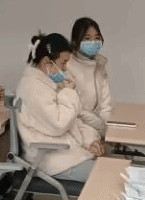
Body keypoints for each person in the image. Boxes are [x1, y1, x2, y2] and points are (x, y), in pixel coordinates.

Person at [15, 33, 105, 183]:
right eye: (63, 63)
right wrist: (68, 93)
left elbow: (74, 121)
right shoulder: (32, 88)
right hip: (52, 160)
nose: (64, 69)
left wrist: (90, 141)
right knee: (106, 178)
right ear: (47, 62)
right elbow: (60, 124)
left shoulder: (49, 84)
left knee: (111, 171)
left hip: (66, 154)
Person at [67, 17, 113, 138]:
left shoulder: (100, 65)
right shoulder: (66, 66)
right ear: (75, 41)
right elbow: (77, 111)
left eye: (97, 38)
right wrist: (101, 128)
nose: (93, 42)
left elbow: (105, 106)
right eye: (87, 38)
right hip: (76, 131)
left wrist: (109, 134)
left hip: (97, 130)